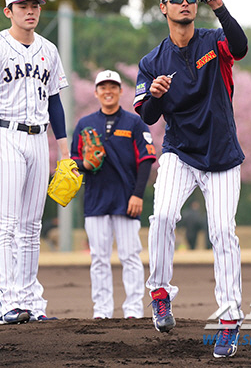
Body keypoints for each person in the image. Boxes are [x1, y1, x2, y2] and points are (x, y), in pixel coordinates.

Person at [133, 0, 248, 358]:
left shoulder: (213, 41)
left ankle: (230, 321)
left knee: (222, 232)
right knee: (163, 216)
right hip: (180, 152)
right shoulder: (151, 62)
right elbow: (148, 117)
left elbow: (241, 47)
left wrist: (219, 6)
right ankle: (160, 292)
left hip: (222, 154)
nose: (185, 3)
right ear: (163, 8)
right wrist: (154, 95)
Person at [0, 0, 70, 324]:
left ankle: (31, 300)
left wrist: (64, 151)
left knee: (32, 226)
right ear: (8, 11)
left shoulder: (49, 48)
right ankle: (9, 301)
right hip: (4, 136)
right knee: (6, 224)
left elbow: (55, 102)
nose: (30, 10)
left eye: (35, 5)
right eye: (22, 5)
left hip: (37, 138)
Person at [70, 70, 156, 319]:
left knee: (130, 256)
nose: (108, 91)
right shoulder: (85, 124)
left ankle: (133, 309)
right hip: (96, 200)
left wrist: (138, 195)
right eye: (103, 87)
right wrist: (84, 164)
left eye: (113, 86)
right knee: (98, 258)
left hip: (126, 199)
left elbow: (146, 160)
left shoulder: (135, 123)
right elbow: (73, 161)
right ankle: (102, 310)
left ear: (120, 91)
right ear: (96, 92)